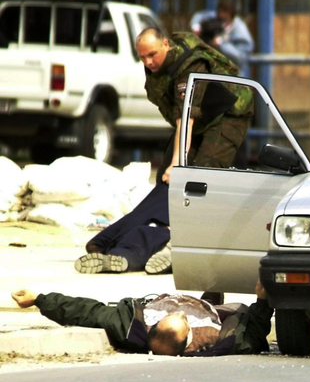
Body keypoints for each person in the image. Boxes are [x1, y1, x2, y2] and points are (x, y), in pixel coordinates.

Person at [74, 27, 254, 280]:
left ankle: (173, 243)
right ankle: (112, 240)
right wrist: (174, 167)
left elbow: (185, 120)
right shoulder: (160, 63)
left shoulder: (191, 67)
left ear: (166, 45)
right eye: (143, 57)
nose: (148, 62)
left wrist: (178, 165)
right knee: (165, 186)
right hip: (201, 116)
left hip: (227, 115)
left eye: (152, 55)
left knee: (198, 181)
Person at [10, 281, 272, 356]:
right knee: (216, 285)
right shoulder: (215, 340)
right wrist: (262, 299)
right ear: (188, 339)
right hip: (220, 313)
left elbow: (85, 311)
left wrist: (39, 299)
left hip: (199, 304)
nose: (178, 313)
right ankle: (212, 295)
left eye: (172, 316)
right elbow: (255, 333)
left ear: (154, 327)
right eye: (182, 320)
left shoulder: (130, 327)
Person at [190, 1, 254, 78]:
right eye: (219, 19)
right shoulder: (216, 17)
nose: (221, 23)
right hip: (213, 72)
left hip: (233, 76)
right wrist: (196, 27)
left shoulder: (240, 31)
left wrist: (221, 44)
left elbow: (241, 58)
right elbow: (199, 15)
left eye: (224, 20)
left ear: (231, 16)